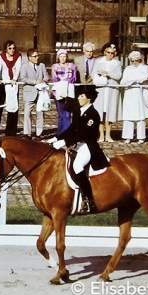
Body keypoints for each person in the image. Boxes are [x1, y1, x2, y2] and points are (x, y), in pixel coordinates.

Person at [48, 85, 110, 213]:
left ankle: (88, 200)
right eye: (79, 95)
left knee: (77, 166)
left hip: (89, 145)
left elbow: (83, 134)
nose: (79, 98)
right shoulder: (78, 111)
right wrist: (56, 138)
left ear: (89, 99)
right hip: (78, 145)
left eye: (82, 96)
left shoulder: (93, 115)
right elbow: (72, 129)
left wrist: (64, 142)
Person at [120, 51, 148, 144]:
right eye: (133, 61)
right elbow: (123, 81)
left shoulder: (144, 68)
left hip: (140, 92)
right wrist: (128, 82)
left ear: (140, 60)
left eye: (137, 61)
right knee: (128, 115)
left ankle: (141, 136)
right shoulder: (128, 69)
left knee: (140, 115)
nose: (135, 63)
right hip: (130, 93)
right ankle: (128, 136)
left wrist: (134, 80)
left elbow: (143, 77)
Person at [92, 43, 122, 142]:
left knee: (109, 112)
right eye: (108, 52)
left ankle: (108, 135)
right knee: (100, 113)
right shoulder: (98, 62)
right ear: (105, 52)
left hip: (111, 90)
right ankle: (101, 135)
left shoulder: (117, 63)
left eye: (112, 53)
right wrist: (100, 75)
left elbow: (118, 76)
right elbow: (93, 74)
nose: (110, 55)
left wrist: (108, 73)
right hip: (101, 89)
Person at [0, 40, 22, 137]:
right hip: (3, 83)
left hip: (12, 84)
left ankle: (11, 132)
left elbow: (18, 68)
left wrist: (14, 79)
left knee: (13, 107)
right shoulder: (1, 57)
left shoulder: (18, 57)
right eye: (10, 48)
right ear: (6, 49)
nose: (12, 50)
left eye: (13, 48)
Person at [20, 48, 49, 140]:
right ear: (29, 57)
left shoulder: (42, 66)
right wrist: (34, 81)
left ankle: (38, 133)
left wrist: (43, 81)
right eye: (35, 56)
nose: (37, 58)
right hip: (29, 92)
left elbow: (46, 76)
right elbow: (24, 78)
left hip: (40, 93)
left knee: (40, 113)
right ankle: (27, 133)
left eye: (38, 56)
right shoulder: (24, 66)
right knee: (27, 113)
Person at [51, 49, 77, 135]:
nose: (62, 58)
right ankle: (60, 133)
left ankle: (67, 133)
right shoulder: (55, 66)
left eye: (64, 56)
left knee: (67, 114)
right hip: (58, 92)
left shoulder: (72, 66)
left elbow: (73, 79)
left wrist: (70, 71)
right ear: (58, 57)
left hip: (68, 92)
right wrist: (55, 71)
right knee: (61, 115)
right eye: (60, 56)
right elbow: (55, 80)